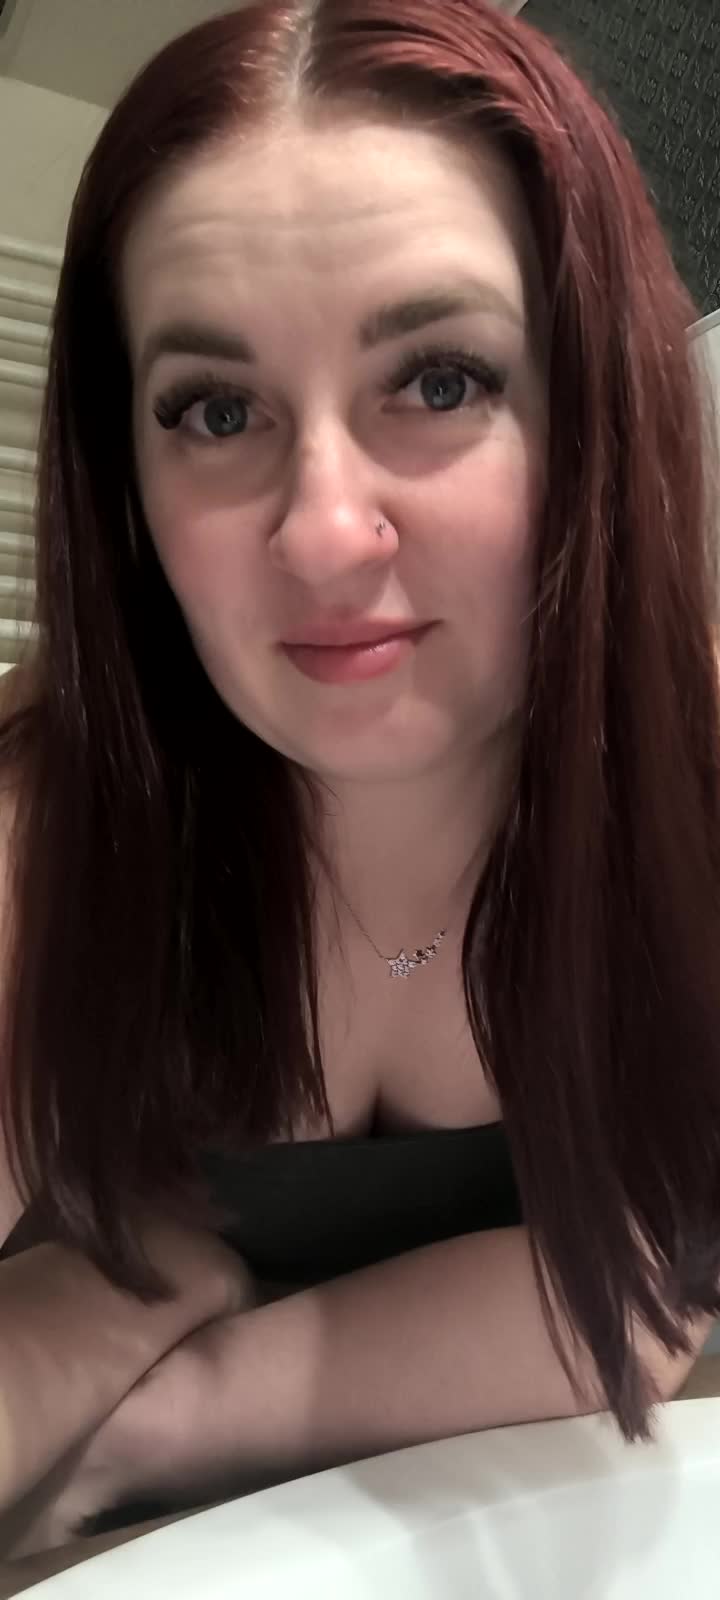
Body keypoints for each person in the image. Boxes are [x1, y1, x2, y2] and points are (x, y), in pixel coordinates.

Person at [1, 0, 720, 1563]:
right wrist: (76, 1314)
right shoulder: (44, 821)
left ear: (596, 416)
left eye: (441, 381)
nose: (324, 533)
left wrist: (166, 1406)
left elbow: (637, 1291)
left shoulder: (695, 802)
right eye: (216, 410)